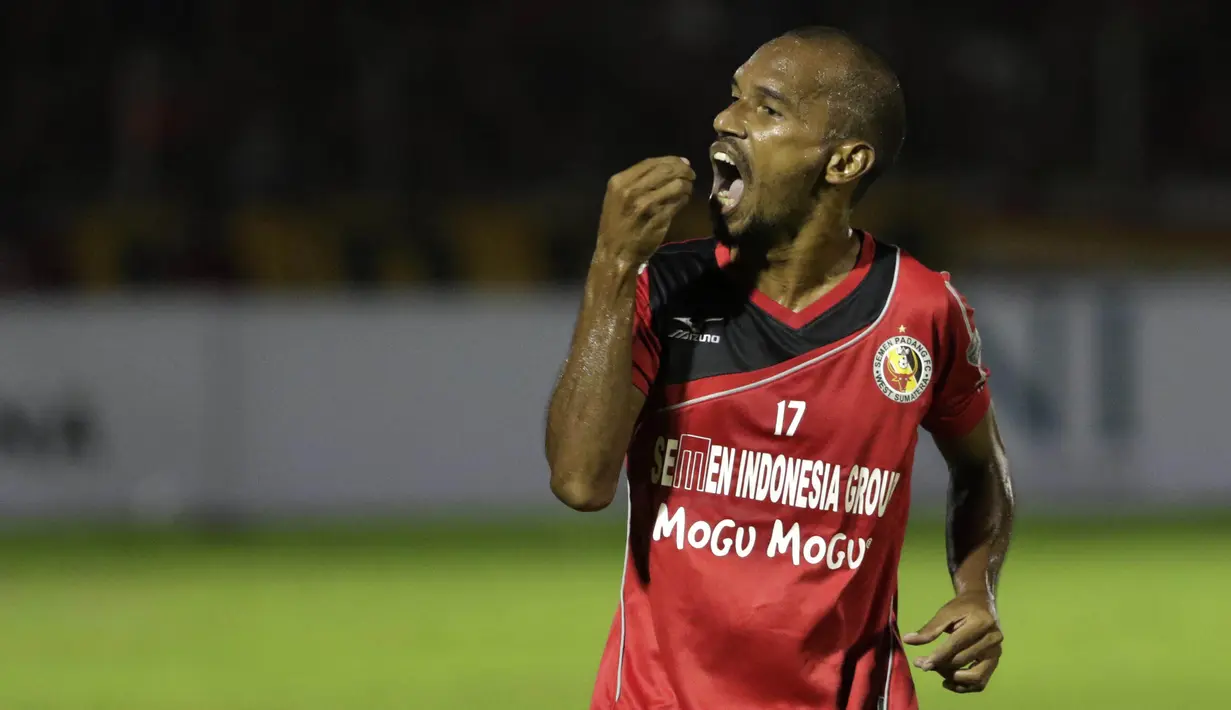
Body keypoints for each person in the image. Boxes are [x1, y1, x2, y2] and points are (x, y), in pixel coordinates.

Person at [545, 26, 1014, 710]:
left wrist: (976, 590)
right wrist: (612, 266)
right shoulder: (665, 287)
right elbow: (579, 481)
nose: (724, 120)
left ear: (844, 161)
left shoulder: (919, 309)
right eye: (733, 99)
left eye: (766, 110)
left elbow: (982, 470)